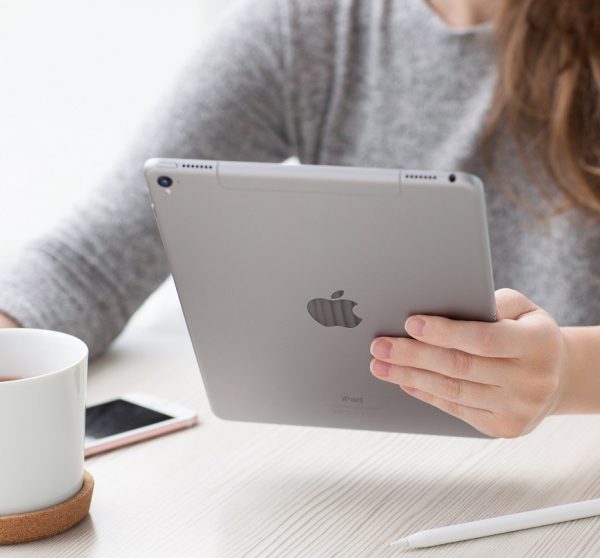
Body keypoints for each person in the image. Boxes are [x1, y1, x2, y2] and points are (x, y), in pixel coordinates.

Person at [1, 0, 599, 438]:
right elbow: (94, 260)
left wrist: (567, 373)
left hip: (566, 494)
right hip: (358, 478)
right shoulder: (309, 28)